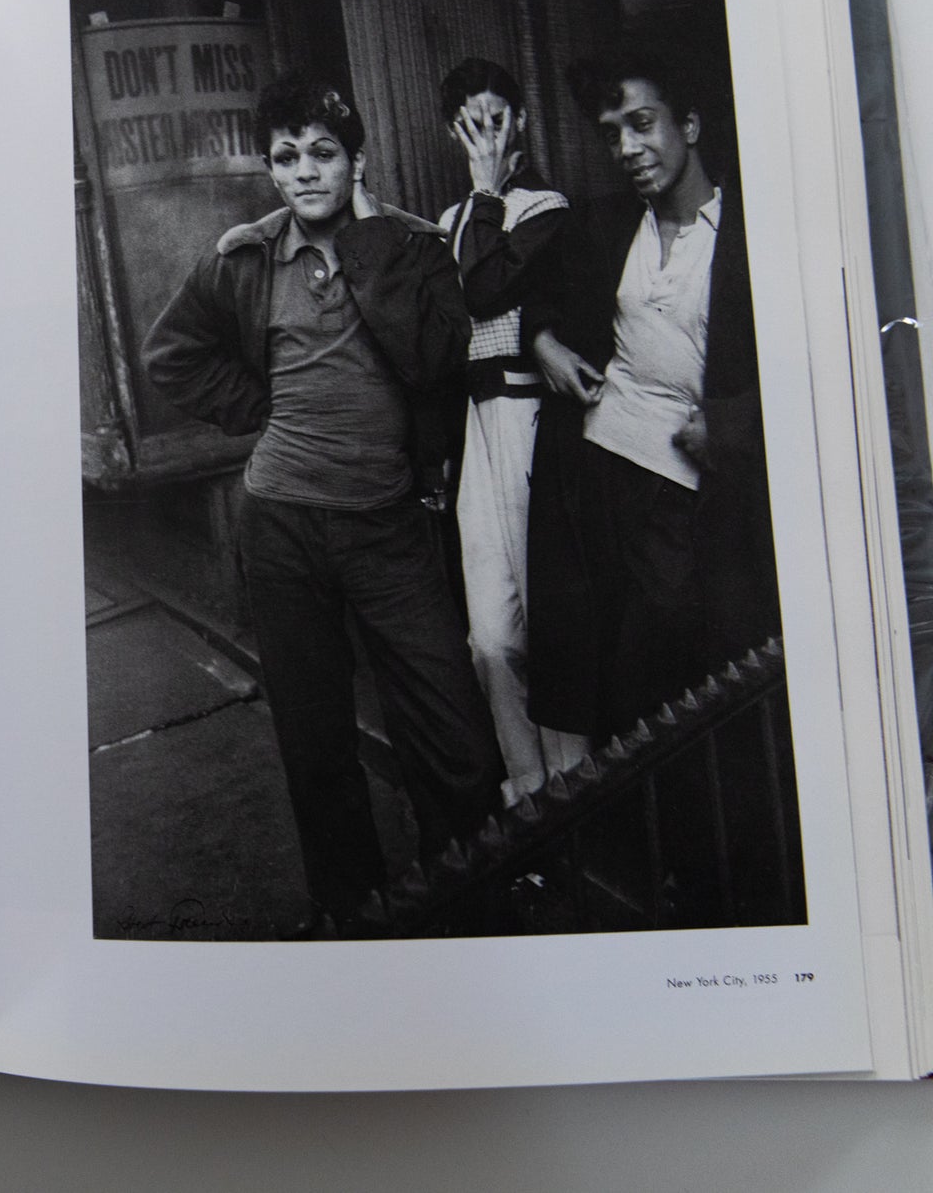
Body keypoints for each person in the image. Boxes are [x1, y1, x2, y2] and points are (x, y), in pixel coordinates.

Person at [142, 74, 503, 929]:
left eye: (323, 153)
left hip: (388, 526)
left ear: (357, 161)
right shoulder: (244, 257)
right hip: (281, 528)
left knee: (452, 736)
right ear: (270, 169)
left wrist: (368, 240)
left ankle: (466, 909)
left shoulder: (411, 245)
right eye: (286, 156)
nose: (304, 171)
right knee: (316, 744)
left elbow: (434, 358)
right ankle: (355, 914)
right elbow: (171, 355)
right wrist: (261, 410)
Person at [522, 49, 776, 742]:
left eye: (642, 124)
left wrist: (726, 427)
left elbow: (816, 369)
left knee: (684, 678)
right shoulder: (606, 227)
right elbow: (533, 293)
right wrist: (544, 343)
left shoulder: (750, 233)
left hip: (690, 491)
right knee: (613, 674)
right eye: (612, 135)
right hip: (598, 478)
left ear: (688, 124)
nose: (628, 149)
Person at [434, 57, 589, 805]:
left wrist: (489, 192)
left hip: (532, 418)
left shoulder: (543, 206)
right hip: (476, 427)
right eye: (471, 125)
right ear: (452, 132)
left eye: (497, 120)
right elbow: (443, 329)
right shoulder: (450, 222)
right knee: (491, 635)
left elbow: (484, 287)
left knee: (551, 617)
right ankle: (528, 794)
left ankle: (577, 783)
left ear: (520, 122)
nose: (486, 136)